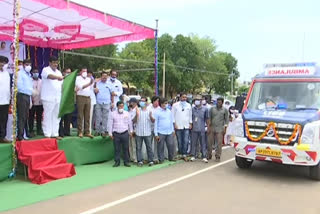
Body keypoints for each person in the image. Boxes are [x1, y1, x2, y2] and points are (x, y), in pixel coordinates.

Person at [41, 56, 63, 139]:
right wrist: (58, 78)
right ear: (50, 63)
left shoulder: (59, 72)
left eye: (56, 63)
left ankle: (55, 133)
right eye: (54, 62)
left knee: (57, 116)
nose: (55, 64)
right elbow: (50, 76)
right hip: (48, 97)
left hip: (57, 97)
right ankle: (47, 134)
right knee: (48, 115)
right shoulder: (45, 70)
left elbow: (62, 84)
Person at [108, 101, 133, 167]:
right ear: (117, 106)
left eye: (122, 106)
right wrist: (110, 133)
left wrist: (131, 131)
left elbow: (130, 123)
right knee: (117, 148)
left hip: (125, 133)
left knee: (126, 148)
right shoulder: (112, 114)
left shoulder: (127, 113)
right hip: (116, 133)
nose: (121, 107)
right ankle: (117, 162)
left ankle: (126, 162)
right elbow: (110, 124)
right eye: (120, 106)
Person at [154, 97, 176, 163]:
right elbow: (155, 123)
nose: (166, 104)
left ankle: (171, 157)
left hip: (169, 131)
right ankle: (161, 159)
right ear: (161, 104)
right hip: (160, 132)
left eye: (167, 103)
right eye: (165, 103)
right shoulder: (157, 112)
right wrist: (156, 134)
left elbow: (171, 121)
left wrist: (173, 130)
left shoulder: (169, 111)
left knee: (171, 144)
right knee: (160, 146)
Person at [134, 97, 154, 167]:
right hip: (138, 132)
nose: (141, 102)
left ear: (146, 102)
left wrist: (151, 116)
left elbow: (153, 121)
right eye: (140, 101)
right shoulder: (137, 110)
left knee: (149, 147)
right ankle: (140, 161)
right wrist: (137, 115)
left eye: (143, 101)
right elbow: (134, 121)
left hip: (147, 132)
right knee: (138, 148)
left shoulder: (150, 110)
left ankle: (151, 160)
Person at [208, 97, 229, 162]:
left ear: (222, 103)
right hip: (212, 127)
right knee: (209, 142)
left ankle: (218, 156)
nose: (218, 103)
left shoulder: (225, 110)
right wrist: (208, 127)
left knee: (219, 143)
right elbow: (209, 118)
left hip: (220, 128)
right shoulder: (212, 109)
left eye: (219, 102)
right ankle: (209, 155)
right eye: (217, 102)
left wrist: (225, 128)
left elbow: (226, 120)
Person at [172, 92, 192, 159]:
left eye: (185, 97)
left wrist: (190, 123)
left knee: (186, 140)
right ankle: (180, 152)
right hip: (178, 126)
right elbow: (172, 116)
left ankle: (184, 153)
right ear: (180, 97)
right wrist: (174, 124)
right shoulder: (175, 105)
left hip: (186, 126)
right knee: (179, 141)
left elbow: (190, 115)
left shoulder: (189, 105)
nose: (184, 98)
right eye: (183, 97)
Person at [17, 59, 33, 141]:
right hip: (22, 95)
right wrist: (27, 92)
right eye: (27, 64)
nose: (28, 66)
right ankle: (20, 135)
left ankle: (25, 133)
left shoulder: (29, 74)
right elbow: (19, 86)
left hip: (27, 95)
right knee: (21, 116)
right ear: (23, 65)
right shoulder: (20, 73)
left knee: (25, 116)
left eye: (29, 64)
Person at [75, 67, 94, 138]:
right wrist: (89, 84)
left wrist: (91, 83)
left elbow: (91, 88)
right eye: (83, 71)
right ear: (80, 72)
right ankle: (80, 131)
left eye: (86, 71)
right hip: (80, 97)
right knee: (80, 115)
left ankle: (87, 131)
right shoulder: (77, 78)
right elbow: (80, 87)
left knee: (87, 115)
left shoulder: (89, 79)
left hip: (88, 97)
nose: (85, 72)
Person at [94, 71, 114, 137]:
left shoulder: (109, 84)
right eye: (103, 77)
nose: (104, 78)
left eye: (106, 77)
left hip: (107, 102)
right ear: (101, 77)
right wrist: (95, 90)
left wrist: (112, 102)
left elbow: (112, 94)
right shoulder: (97, 83)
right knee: (98, 116)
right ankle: (97, 131)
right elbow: (94, 90)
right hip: (98, 102)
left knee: (105, 117)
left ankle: (103, 131)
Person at [190, 95, 209, 163]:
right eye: (196, 100)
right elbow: (191, 118)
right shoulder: (192, 109)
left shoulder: (205, 109)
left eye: (198, 100)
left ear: (201, 101)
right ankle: (193, 155)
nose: (197, 101)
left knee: (203, 143)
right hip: (194, 129)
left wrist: (208, 127)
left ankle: (204, 156)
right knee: (193, 143)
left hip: (202, 129)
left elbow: (207, 119)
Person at [28, 68, 43, 137]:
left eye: (37, 72)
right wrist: (31, 99)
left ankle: (39, 130)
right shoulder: (29, 81)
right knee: (31, 116)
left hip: (40, 102)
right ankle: (31, 130)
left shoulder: (41, 81)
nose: (36, 73)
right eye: (34, 72)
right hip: (32, 101)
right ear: (32, 73)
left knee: (39, 117)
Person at [59, 68, 73, 137]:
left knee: (68, 117)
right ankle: (60, 132)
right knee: (61, 118)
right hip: (61, 100)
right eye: (67, 72)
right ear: (63, 73)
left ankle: (67, 131)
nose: (69, 74)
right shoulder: (60, 80)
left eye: (70, 72)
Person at [0, 55, 10, 143]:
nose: (2, 64)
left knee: (4, 119)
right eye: (1, 62)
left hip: (5, 100)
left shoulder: (6, 73)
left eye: (4, 62)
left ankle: (2, 136)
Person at [147, 96, 160, 163]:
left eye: (158, 101)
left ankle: (156, 158)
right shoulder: (148, 108)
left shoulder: (159, 109)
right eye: (156, 101)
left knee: (156, 144)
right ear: (153, 101)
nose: (157, 102)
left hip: (157, 129)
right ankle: (150, 158)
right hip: (149, 128)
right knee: (149, 144)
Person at [128, 98, 138, 162]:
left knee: (134, 145)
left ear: (134, 103)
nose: (129, 104)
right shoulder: (130, 110)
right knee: (130, 145)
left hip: (135, 129)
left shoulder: (137, 110)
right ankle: (131, 157)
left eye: (130, 102)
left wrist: (133, 131)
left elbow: (135, 120)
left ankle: (135, 158)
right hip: (129, 129)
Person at [87, 70, 96, 135]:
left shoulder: (93, 81)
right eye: (88, 74)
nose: (89, 75)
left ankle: (88, 131)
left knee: (90, 116)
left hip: (91, 100)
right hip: (83, 99)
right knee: (82, 116)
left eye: (90, 74)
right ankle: (82, 130)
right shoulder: (82, 80)